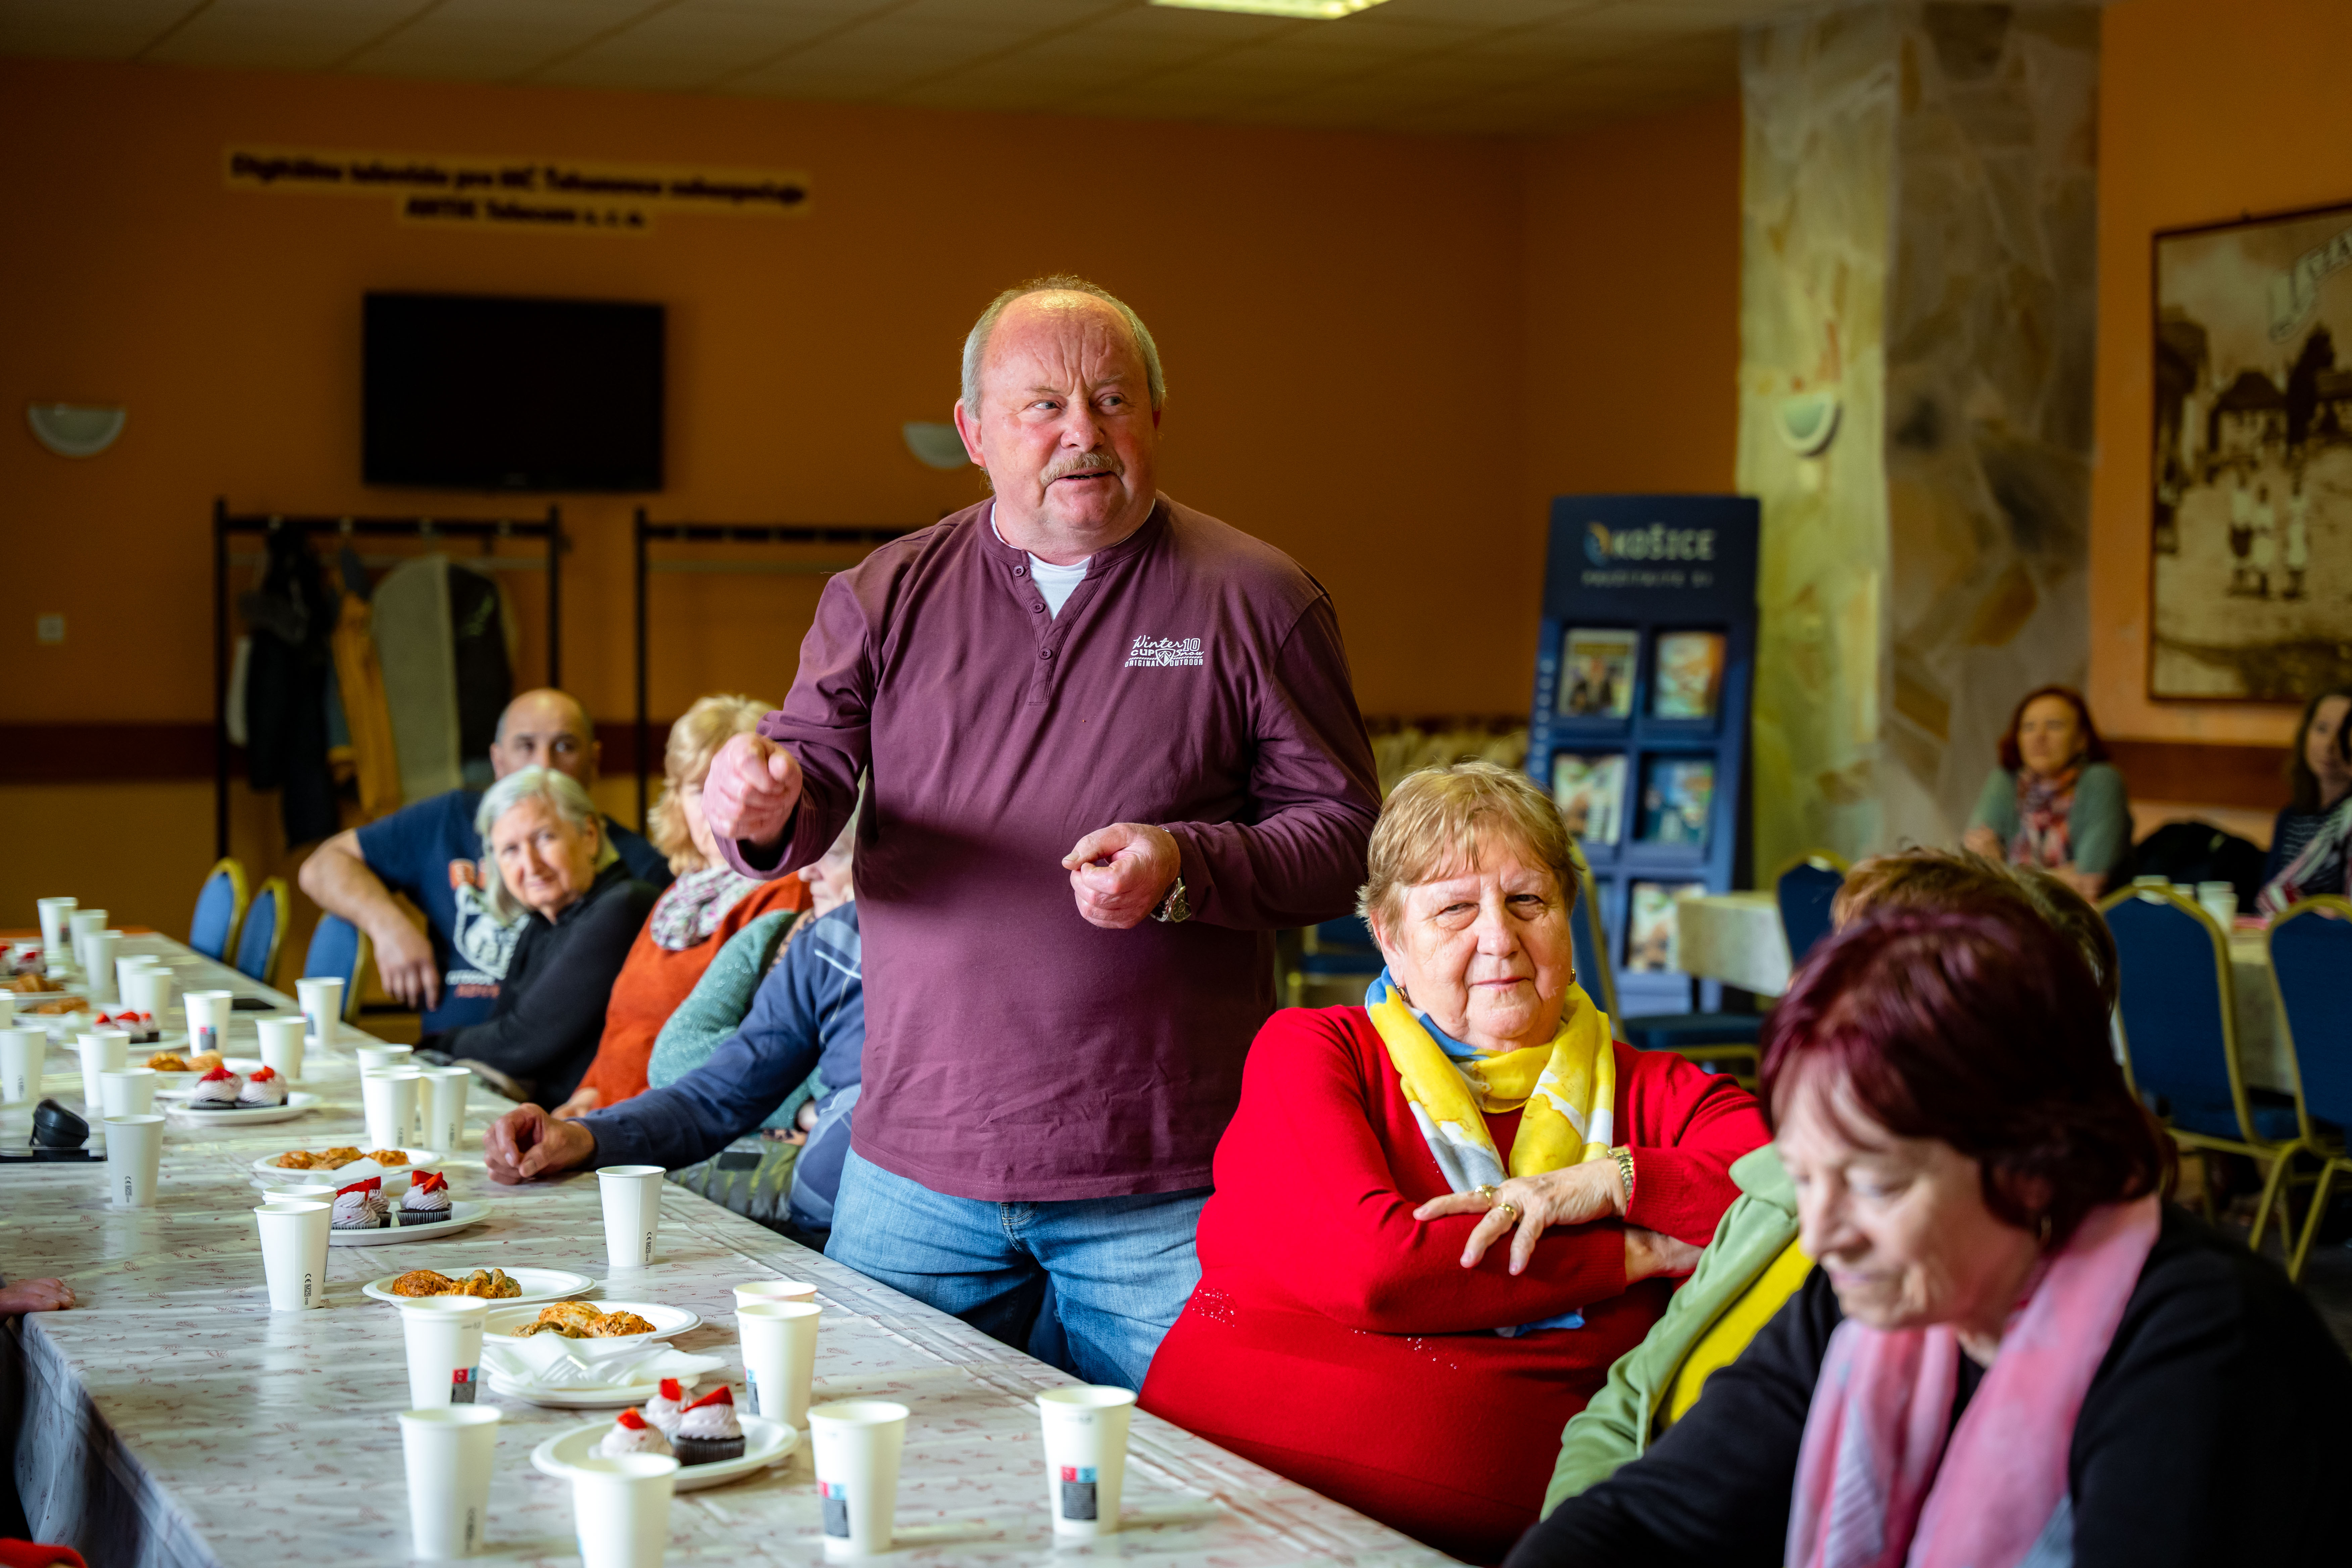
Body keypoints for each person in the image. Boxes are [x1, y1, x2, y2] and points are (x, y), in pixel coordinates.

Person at [697, 275, 1381, 1390]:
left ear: (1154, 419)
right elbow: (801, 782)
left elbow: (1348, 835)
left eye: (1111, 401)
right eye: (1042, 407)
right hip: (918, 1163)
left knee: (1198, 1496)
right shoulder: (882, 594)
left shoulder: (1258, 599)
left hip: (1160, 1179)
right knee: (875, 1478)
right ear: (972, 433)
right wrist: (760, 806)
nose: (1083, 434)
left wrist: (1185, 863)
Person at [1506, 903, 2352, 1568]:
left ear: (2031, 1158)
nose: (1825, 1233)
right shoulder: (1860, 1298)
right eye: (1805, 1175)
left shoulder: (2206, 1350)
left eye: (1876, 1182)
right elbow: (1654, 1516)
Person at [1138, 763, 1767, 1563]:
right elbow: (1380, 1269)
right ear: (1391, 940)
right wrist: (1629, 1251)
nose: (1499, 937)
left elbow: (1790, 1187)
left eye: (1528, 901)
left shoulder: (1655, 1091)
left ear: (1569, 919)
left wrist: (1615, 1179)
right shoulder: (1316, 1051)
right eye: (1456, 909)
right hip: (1216, 1506)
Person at [1539, 848, 2120, 1517]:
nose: (1805, 987)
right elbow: (1620, 1410)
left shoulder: (1914, 1279)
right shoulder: (1784, 1195)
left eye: (1854, 971)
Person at [480, 817, 867, 1244]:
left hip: (863, 1242)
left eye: (831, 854)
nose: (806, 869)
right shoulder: (822, 942)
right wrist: (583, 1137)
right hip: (819, 1239)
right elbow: (713, 1091)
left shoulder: (927, 962)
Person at [299, 687, 671, 1035]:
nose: (542, 764)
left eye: (565, 746)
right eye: (525, 746)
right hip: (449, 1061)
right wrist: (387, 925)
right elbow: (322, 866)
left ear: (594, 761)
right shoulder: (449, 819)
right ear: (498, 760)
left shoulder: (639, 870)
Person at [554, 696, 811, 1117]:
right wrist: (589, 1094)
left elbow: (755, 1054)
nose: (718, 810)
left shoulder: (783, 895)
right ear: (677, 800)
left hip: (682, 1132)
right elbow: (628, 1023)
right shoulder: (678, 898)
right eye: (699, 790)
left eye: (737, 791)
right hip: (610, 1119)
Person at [416, 768, 658, 1107]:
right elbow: (500, 1030)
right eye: (511, 849)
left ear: (589, 834)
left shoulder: (625, 906)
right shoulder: (540, 922)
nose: (530, 864)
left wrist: (434, 1046)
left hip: (591, 1126)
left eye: (545, 838)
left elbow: (519, 1042)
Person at [1962, 684, 2129, 899]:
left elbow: (2089, 880)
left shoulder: (2102, 780)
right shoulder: (2005, 781)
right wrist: (2058, 879)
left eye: (2055, 725)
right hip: (2013, 917)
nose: (2039, 736)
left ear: (2081, 740)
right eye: (2029, 727)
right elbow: (1974, 867)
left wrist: (2002, 872)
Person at [2259, 695, 2352, 914]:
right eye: (2322, 729)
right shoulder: (2295, 816)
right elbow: (2269, 894)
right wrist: (2316, 909)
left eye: (2341, 736)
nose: (2331, 746)